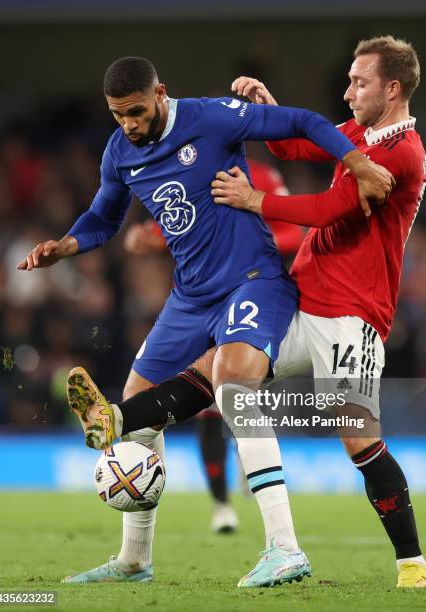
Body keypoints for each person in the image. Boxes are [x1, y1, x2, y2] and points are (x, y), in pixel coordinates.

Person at [69, 36, 426, 589]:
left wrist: (256, 201)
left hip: (353, 314)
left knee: (357, 437)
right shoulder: (358, 134)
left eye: (359, 82)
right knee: (225, 371)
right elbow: (291, 148)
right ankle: (125, 426)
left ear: (393, 87)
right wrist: (266, 105)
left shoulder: (401, 152)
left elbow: (333, 208)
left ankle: (412, 563)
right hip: (305, 298)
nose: (347, 90)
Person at [123, 160, 303, 534]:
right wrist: (153, 236)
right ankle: (220, 504)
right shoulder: (187, 174)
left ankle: (273, 520)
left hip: (250, 295)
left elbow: (295, 235)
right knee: (208, 405)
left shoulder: (261, 175)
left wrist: (255, 230)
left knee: (232, 393)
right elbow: (180, 226)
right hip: (200, 300)